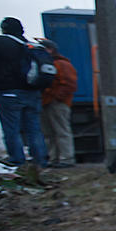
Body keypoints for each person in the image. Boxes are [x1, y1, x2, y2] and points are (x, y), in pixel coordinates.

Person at [0, 17, 48, 169]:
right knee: (34, 129)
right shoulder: (30, 46)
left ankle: (17, 162)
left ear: (4, 28)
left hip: (8, 93)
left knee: (11, 129)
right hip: (32, 93)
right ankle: (40, 161)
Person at [39, 39, 77, 167]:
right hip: (46, 102)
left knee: (61, 131)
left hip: (56, 102)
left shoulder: (61, 64)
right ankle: (54, 158)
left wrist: (57, 97)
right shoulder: (50, 63)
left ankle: (66, 159)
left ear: (50, 49)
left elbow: (69, 83)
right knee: (49, 133)